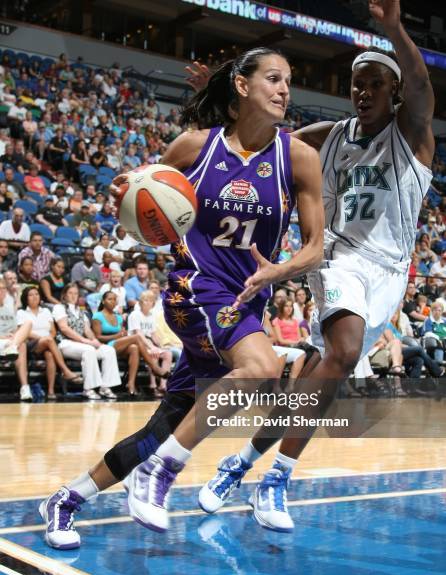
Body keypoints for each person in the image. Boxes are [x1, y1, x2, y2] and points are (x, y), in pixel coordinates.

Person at [38, 46, 324, 547]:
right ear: (242, 86)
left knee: (163, 428)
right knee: (258, 369)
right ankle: (161, 474)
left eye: (289, 81)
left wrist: (281, 268)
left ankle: (68, 498)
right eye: (274, 78)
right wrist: (124, 196)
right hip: (195, 289)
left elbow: (316, 248)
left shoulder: (297, 158)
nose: (285, 90)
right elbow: (140, 200)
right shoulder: (194, 148)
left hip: (246, 302)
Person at [199, 0, 436, 532]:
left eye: (376, 83)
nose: (364, 92)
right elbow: (259, 146)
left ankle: (238, 465)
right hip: (335, 256)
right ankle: (276, 480)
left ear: (394, 92)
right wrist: (216, 112)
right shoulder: (328, 136)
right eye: (358, 83)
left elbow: (422, 84)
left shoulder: (413, 134)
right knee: (346, 349)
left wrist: (393, 29)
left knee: (315, 378)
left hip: (389, 274)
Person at [91, 292, 170, 395]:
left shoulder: (118, 317)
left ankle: (131, 384)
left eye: (115, 299)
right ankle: (154, 367)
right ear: (103, 301)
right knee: (137, 337)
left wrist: (122, 335)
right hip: (105, 346)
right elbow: (98, 337)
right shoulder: (97, 316)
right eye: (110, 299)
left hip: (119, 345)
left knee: (134, 348)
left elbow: (122, 334)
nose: (113, 301)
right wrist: (117, 336)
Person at [53, 283, 121, 400]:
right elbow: (64, 328)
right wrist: (85, 341)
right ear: (64, 295)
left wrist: (95, 340)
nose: (74, 296)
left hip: (81, 343)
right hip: (65, 343)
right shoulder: (59, 308)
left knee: (108, 350)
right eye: (70, 293)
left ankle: (105, 387)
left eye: (76, 293)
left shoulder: (80, 311)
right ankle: (88, 389)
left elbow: (87, 330)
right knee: (89, 350)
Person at [16, 287, 82, 399]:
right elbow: (23, 332)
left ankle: (51, 391)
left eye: (36, 294)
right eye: (31, 295)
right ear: (25, 298)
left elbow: (53, 331)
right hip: (30, 344)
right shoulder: (21, 312)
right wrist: (43, 338)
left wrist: (47, 339)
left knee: (50, 354)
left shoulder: (46, 311)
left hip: (47, 343)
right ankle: (65, 370)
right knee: (49, 340)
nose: (34, 297)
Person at [128, 290, 173, 397]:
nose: (148, 303)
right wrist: (152, 347)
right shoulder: (135, 315)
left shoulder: (151, 315)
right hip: (138, 344)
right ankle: (152, 385)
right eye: (146, 300)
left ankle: (163, 385)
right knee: (154, 354)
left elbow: (153, 334)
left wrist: (162, 345)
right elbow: (138, 334)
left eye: (151, 301)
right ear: (141, 302)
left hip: (149, 343)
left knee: (168, 354)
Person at [0, 278, 33, 400]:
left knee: (28, 323)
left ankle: (24, 387)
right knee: (21, 345)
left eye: (3, 289)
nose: (1, 292)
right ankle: (12, 346)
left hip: (9, 343)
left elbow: (14, 329)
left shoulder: (9, 309)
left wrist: (14, 336)